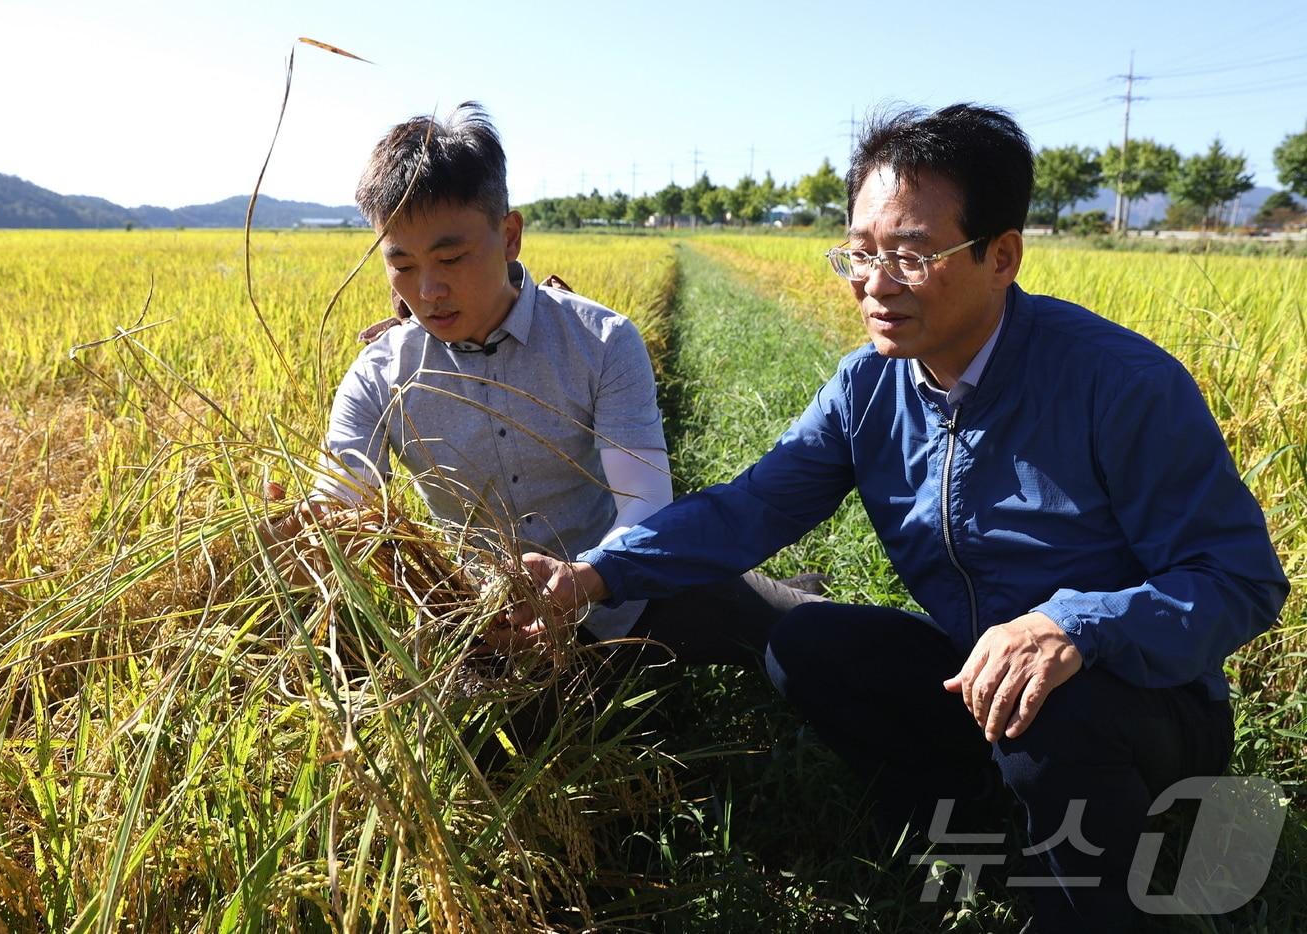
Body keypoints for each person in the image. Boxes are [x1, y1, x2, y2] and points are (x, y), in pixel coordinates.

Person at [514, 104, 1289, 932]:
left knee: (1048, 699)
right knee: (807, 645)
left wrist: (1075, 626)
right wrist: (596, 573)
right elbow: (751, 506)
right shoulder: (866, 389)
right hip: (981, 677)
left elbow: (1238, 581)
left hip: (1142, 707)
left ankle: (1091, 902)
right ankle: (980, 833)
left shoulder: (1120, 385)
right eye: (860, 252)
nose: (875, 284)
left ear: (1003, 256)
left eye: (912, 256)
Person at [273, 101, 820, 677]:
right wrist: (305, 524)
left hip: (630, 591)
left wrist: (587, 579)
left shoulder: (600, 341)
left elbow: (644, 502)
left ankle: (787, 592)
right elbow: (346, 499)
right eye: (401, 265)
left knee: (803, 634)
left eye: (451, 257)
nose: (428, 290)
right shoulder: (379, 374)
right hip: (491, 626)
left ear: (509, 236)